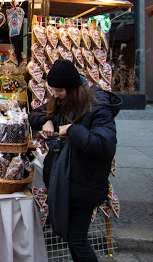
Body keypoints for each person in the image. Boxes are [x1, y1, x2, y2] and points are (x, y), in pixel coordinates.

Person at [29, 59, 120, 262]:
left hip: (85, 183)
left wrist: (72, 130)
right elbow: (33, 115)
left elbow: (104, 146)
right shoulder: (61, 102)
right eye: (53, 90)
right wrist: (47, 120)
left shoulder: (98, 108)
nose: (55, 94)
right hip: (65, 183)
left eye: (59, 90)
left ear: (71, 88)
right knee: (71, 236)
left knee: (77, 238)